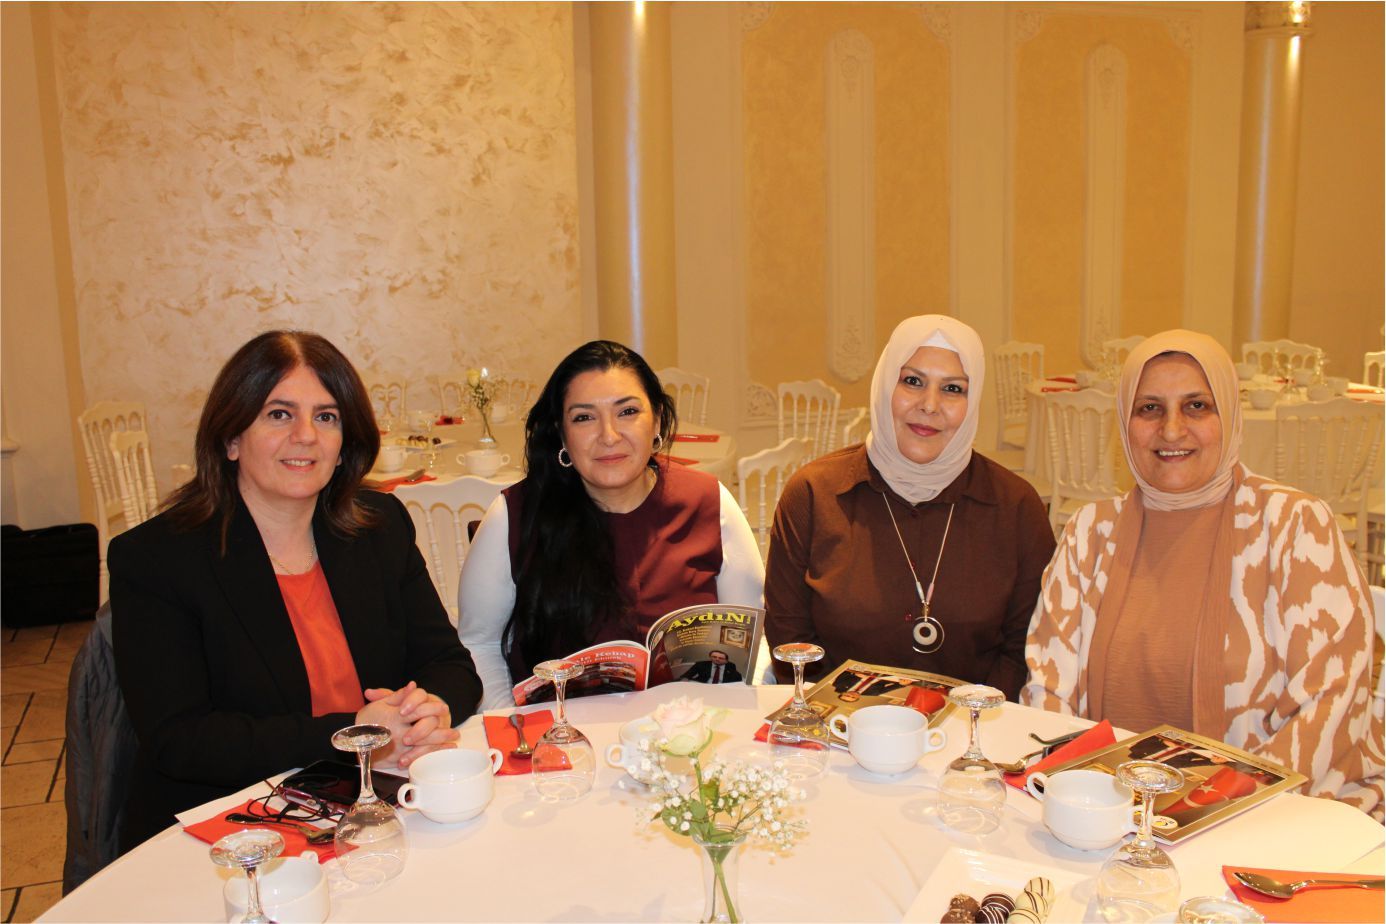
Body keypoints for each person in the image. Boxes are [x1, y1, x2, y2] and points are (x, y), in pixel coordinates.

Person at [109, 331, 483, 852]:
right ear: (231, 439)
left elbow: (449, 664)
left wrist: (431, 709)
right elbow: (181, 740)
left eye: (326, 417)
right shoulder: (158, 559)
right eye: (279, 414)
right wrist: (355, 733)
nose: (306, 435)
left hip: (376, 804)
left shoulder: (378, 527)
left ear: (344, 444)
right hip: (231, 830)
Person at [1022, 329, 1382, 819]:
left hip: (1270, 816)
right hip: (1108, 816)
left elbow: (1329, 704)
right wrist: (1079, 799)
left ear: (1228, 415)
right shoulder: (1090, 532)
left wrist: (1215, 811)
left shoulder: (1295, 526)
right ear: (1124, 422)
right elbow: (1048, 693)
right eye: (1149, 408)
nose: (1172, 430)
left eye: (1196, 406)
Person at [457, 340, 764, 708]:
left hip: (691, 731)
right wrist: (514, 727)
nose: (609, 435)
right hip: (561, 735)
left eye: (627, 411)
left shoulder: (708, 502)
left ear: (657, 421)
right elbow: (479, 643)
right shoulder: (515, 515)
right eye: (584, 417)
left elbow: (752, 638)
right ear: (561, 434)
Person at [764, 316, 1056, 699]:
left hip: (974, 727)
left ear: (972, 402)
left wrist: (970, 721)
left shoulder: (1016, 507)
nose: (929, 405)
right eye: (913, 381)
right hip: (837, 724)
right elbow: (790, 639)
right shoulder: (814, 495)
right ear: (886, 385)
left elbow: (1026, 646)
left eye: (952, 389)